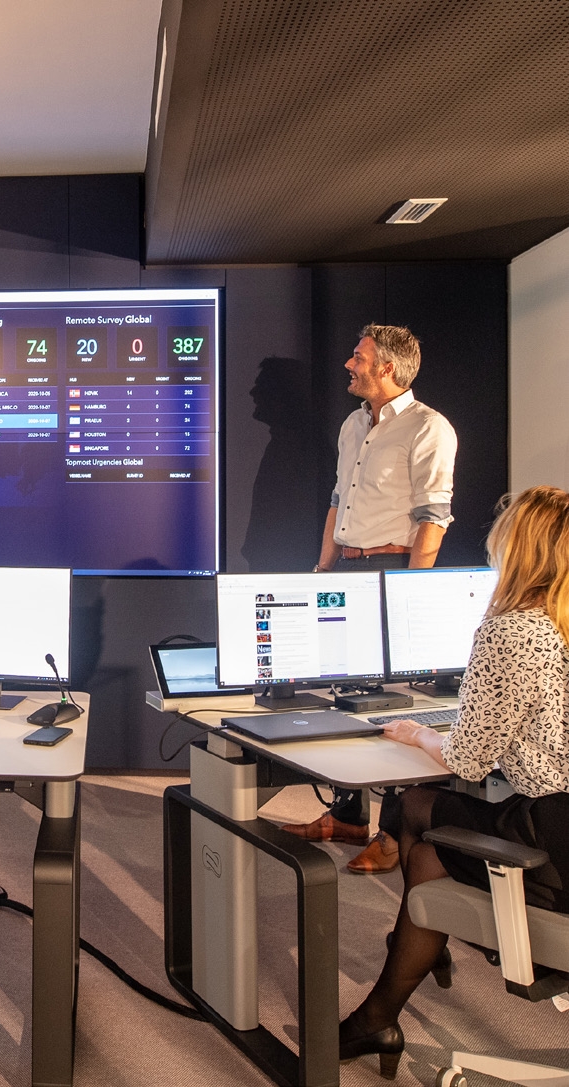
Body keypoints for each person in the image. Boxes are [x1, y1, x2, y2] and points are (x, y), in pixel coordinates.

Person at [339, 485, 569, 1078]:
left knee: (424, 844)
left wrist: (419, 734)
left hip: (551, 844)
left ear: (517, 548)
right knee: (419, 807)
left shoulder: (515, 630)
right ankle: (405, 967)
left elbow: (468, 760)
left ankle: (388, 999)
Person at [282, 324, 457, 874]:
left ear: (386, 368)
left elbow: (434, 515)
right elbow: (339, 500)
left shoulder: (429, 428)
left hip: (393, 569)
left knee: (395, 701)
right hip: (347, 570)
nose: (348, 364)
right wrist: (322, 569)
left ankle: (389, 833)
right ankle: (349, 814)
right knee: (344, 691)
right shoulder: (354, 423)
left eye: (358, 357)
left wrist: (412, 589)